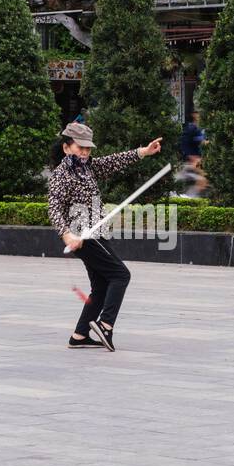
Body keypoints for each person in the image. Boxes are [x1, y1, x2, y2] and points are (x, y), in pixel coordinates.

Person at [49, 121, 163, 351]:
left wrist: (143, 152)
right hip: (85, 237)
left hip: (95, 233)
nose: (84, 152)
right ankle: (106, 325)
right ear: (66, 148)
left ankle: (80, 335)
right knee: (121, 275)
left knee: (101, 285)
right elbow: (54, 208)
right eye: (80, 147)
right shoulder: (61, 175)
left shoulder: (87, 167)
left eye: (88, 148)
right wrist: (67, 235)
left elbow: (113, 162)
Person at [177, 110, 208, 196]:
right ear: (194, 115)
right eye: (198, 114)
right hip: (193, 158)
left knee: (202, 179)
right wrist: (190, 156)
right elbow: (185, 143)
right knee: (202, 179)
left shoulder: (199, 128)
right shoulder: (191, 128)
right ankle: (190, 197)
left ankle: (190, 196)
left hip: (195, 158)